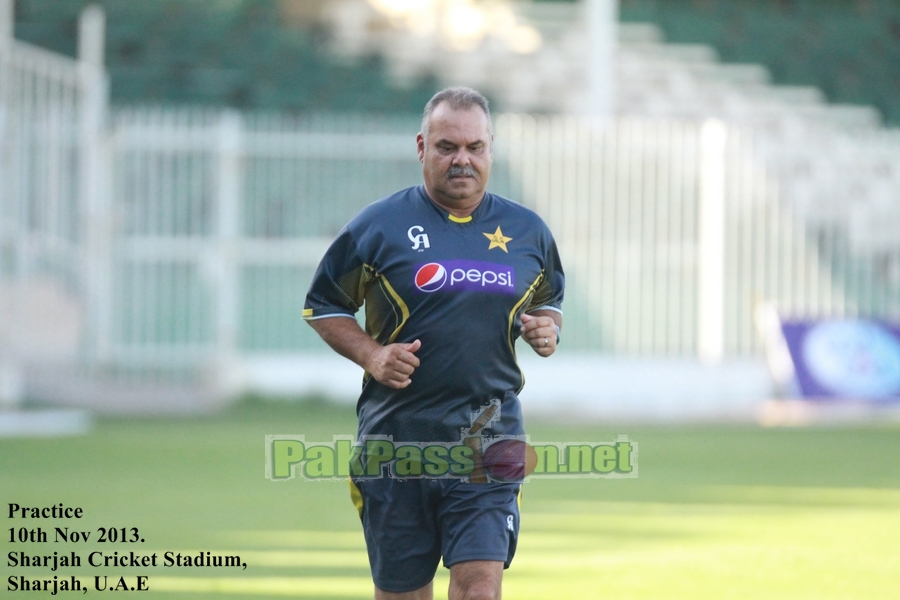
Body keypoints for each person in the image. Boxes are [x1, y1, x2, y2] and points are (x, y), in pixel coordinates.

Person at [303, 86, 565, 600]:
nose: (462, 159)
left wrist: (546, 327)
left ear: (491, 149)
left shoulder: (527, 230)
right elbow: (325, 306)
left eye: (475, 147)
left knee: (479, 588)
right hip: (395, 443)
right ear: (422, 147)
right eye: (447, 147)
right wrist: (373, 355)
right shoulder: (377, 226)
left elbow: (550, 298)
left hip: (488, 442)